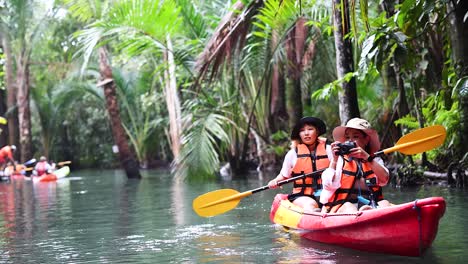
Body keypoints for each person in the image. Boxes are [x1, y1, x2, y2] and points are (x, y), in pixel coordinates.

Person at [320, 118, 391, 213]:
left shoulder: (375, 160)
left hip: (370, 205)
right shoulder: (340, 160)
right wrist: (334, 160)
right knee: (349, 206)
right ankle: (363, 213)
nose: (350, 141)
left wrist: (367, 157)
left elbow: (385, 179)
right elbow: (328, 185)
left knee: (385, 203)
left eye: (355, 137)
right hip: (343, 207)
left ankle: (368, 212)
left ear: (366, 140)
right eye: (347, 137)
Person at [268, 117, 333, 212]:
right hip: (302, 195)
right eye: (302, 131)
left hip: (328, 193)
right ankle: (314, 215)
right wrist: (275, 181)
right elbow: (283, 175)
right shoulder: (292, 154)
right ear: (299, 134)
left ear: (317, 132)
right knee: (310, 205)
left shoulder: (329, 149)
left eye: (310, 129)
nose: (306, 133)